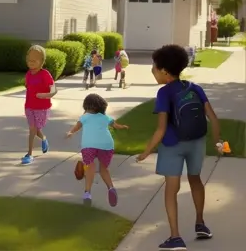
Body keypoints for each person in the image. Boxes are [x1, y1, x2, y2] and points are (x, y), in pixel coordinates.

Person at [136, 45, 223, 250]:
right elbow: (213, 117)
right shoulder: (194, 88)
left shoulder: (164, 93)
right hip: (197, 142)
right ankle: (200, 224)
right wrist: (218, 141)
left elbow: (161, 129)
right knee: (195, 180)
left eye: (154, 67)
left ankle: (176, 237)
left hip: (172, 146)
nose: (152, 70)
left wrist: (146, 152)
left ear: (164, 71)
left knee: (171, 190)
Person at [66, 93, 128, 206]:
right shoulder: (105, 117)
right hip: (107, 145)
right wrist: (123, 127)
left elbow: (77, 126)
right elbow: (116, 125)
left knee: (89, 167)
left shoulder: (84, 117)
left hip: (89, 145)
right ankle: (111, 188)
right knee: (104, 169)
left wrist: (70, 132)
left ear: (88, 107)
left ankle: (87, 193)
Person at [22, 45, 57, 165]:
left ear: (42, 61)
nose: (31, 62)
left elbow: (54, 90)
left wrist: (45, 95)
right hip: (29, 106)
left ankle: (44, 139)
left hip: (42, 108)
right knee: (32, 129)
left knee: (36, 130)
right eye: (29, 60)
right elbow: (27, 86)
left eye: (34, 60)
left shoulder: (45, 74)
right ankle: (29, 154)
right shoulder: (28, 74)